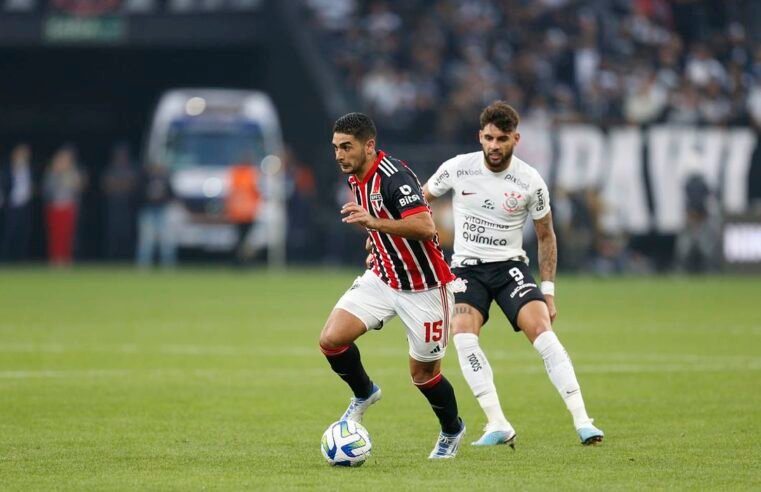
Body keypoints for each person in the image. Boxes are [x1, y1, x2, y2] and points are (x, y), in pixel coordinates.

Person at [423, 101, 604, 446]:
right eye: (489, 138)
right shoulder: (458, 168)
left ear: (515, 139)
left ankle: (583, 420)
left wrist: (548, 291)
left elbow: (546, 235)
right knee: (461, 333)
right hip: (466, 269)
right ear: (480, 136)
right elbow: (420, 200)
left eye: (502, 139)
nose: (494, 146)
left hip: (510, 269)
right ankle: (497, 422)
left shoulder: (529, 181)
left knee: (542, 331)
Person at [319, 112, 466, 459]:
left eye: (346, 147)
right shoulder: (356, 175)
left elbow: (425, 226)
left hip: (425, 287)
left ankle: (452, 430)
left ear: (369, 146)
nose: (339, 154)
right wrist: (375, 239)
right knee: (331, 340)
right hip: (384, 277)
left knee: (423, 375)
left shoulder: (393, 176)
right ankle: (364, 392)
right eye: (336, 147)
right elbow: (384, 223)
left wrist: (373, 222)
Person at [43, 146, 84, 266]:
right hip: (54, 207)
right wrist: (56, 174)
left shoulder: (73, 173)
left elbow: (79, 187)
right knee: (55, 234)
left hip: (68, 206)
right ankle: (55, 258)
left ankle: (66, 258)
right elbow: (47, 190)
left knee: (67, 234)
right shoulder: (51, 173)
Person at [135, 162, 176, 268]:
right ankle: (143, 265)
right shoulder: (145, 179)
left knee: (166, 240)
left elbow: (172, 195)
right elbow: (138, 194)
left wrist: (162, 199)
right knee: (146, 241)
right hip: (148, 210)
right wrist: (149, 198)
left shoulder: (165, 179)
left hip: (162, 210)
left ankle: (167, 266)